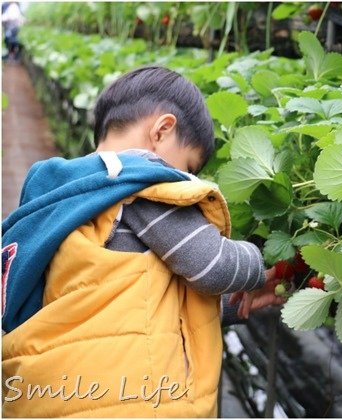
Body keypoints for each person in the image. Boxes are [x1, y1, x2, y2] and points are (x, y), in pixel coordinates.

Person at [1, 67, 286, 417]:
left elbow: (122, 299)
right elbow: (214, 265)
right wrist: (261, 259)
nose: (186, 180)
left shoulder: (71, 200)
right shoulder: (143, 185)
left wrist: (228, 306)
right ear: (162, 130)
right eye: (188, 167)